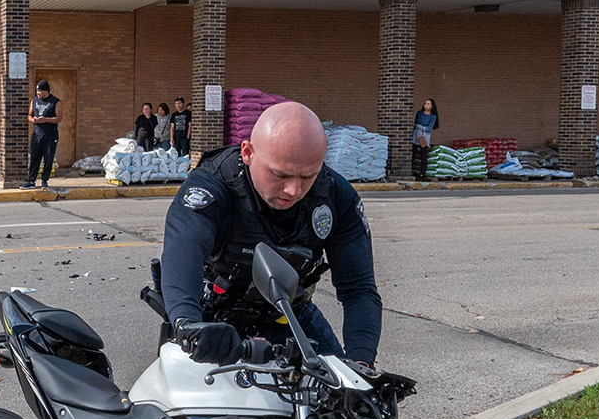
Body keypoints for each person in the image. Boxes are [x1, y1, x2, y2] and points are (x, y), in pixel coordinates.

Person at [160, 100, 382, 367]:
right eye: (280, 175)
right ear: (248, 153)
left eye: (307, 177)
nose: (293, 190)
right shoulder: (212, 186)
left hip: (289, 317)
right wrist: (187, 324)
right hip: (214, 325)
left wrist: (362, 361)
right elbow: (183, 251)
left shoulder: (335, 195)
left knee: (351, 399)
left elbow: (358, 288)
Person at [26, 79, 61, 188]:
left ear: (46, 91)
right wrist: (33, 120)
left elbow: (59, 118)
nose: (38, 93)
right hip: (37, 133)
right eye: (37, 91)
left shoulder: (55, 102)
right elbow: (29, 115)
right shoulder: (35, 101)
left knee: (48, 157)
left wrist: (45, 119)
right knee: (34, 158)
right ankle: (31, 180)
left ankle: (44, 180)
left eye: (40, 91)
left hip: (50, 134)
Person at [413, 97, 439, 180]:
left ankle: (422, 174)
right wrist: (420, 127)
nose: (426, 105)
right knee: (413, 154)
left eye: (428, 104)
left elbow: (429, 128)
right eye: (425, 104)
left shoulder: (433, 117)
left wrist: (419, 127)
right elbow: (415, 123)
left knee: (423, 156)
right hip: (416, 137)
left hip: (425, 138)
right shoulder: (419, 113)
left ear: (432, 106)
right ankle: (413, 172)